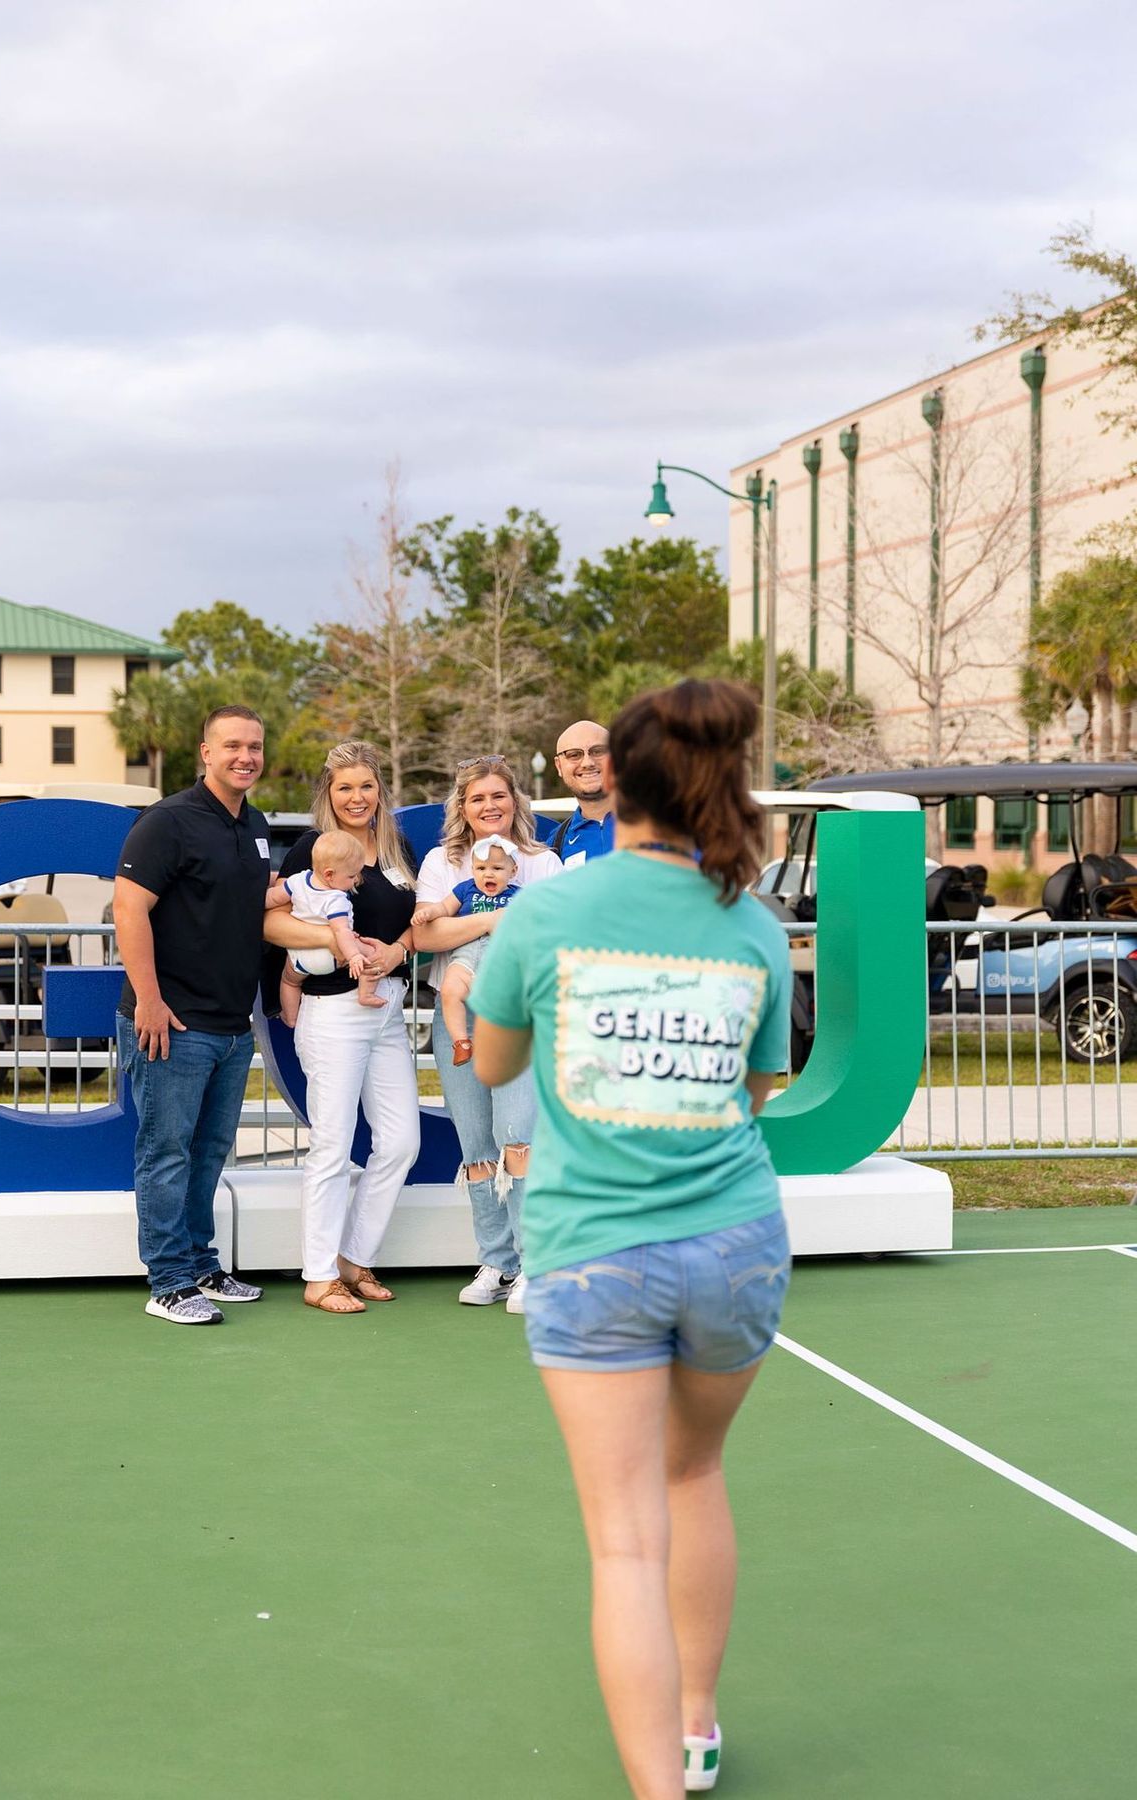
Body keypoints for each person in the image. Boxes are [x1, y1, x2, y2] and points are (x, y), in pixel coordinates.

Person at [470, 679, 792, 1798]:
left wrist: (484, 1005)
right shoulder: (753, 925)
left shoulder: (547, 913)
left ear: (620, 787)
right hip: (737, 1245)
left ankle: (663, 1784)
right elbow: (757, 1087)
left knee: (625, 1544)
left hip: (592, 1254)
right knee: (694, 1472)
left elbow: (496, 1066)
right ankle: (697, 1725)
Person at [114, 705, 273, 1326]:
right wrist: (149, 1000)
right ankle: (169, 1281)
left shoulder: (254, 824)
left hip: (232, 1027)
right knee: (166, 1152)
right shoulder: (170, 821)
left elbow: (236, 899)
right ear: (204, 752)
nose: (245, 756)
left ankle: (202, 1264)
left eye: (254, 746)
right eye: (232, 745)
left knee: (208, 1152)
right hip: (172, 1024)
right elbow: (129, 909)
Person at [262, 742, 421, 1315]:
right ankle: (319, 1275)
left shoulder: (399, 850)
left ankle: (354, 1259)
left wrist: (396, 953)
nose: (357, 798)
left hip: (386, 1007)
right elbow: (273, 922)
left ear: (381, 790)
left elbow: (418, 926)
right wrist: (339, 941)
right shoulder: (313, 850)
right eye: (344, 788)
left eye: (367, 786)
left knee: (402, 1141)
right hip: (332, 1013)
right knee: (332, 1144)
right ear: (328, 794)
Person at [412, 756, 562, 1311]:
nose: (489, 806)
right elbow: (426, 935)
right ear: (463, 808)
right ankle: (496, 1260)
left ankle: (532, 1265)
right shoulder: (439, 863)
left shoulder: (541, 863)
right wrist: (493, 920)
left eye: (499, 795)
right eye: (478, 798)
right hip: (461, 1020)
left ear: (514, 801)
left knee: (518, 1137)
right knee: (475, 1144)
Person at [413, 834, 520, 1063]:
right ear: (472, 869)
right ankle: (461, 1041)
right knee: (450, 990)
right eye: (480, 868)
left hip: (497, 960)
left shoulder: (518, 896)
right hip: (464, 956)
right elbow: (443, 907)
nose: (488, 874)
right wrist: (428, 913)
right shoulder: (465, 889)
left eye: (497, 868)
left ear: (513, 871)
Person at [266, 828, 385, 1025]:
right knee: (372, 952)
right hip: (329, 957)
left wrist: (251, 901)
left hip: (298, 956)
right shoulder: (335, 898)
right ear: (329, 874)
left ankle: (291, 1017)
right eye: (351, 876)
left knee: (288, 982)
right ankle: (365, 992)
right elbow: (340, 931)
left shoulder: (298, 880)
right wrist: (354, 955)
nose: (356, 880)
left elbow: (273, 898)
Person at [551, 718, 614, 864]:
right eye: (574, 755)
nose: (588, 763)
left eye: (598, 751)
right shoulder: (554, 847)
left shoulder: (659, 823)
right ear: (559, 766)